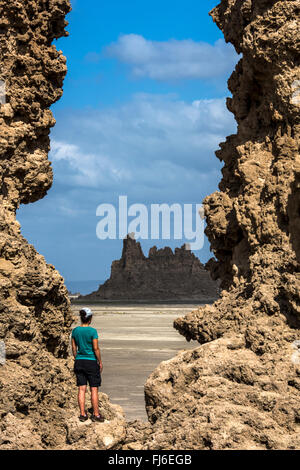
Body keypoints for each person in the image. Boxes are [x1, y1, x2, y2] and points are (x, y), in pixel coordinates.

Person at [71, 307, 104, 422]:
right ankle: (96, 414)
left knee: (81, 389)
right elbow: (96, 348)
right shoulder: (92, 331)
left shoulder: (75, 331)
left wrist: (77, 358)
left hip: (79, 361)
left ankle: (82, 414)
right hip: (91, 362)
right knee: (94, 389)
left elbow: (74, 348)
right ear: (90, 318)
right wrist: (99, 361)